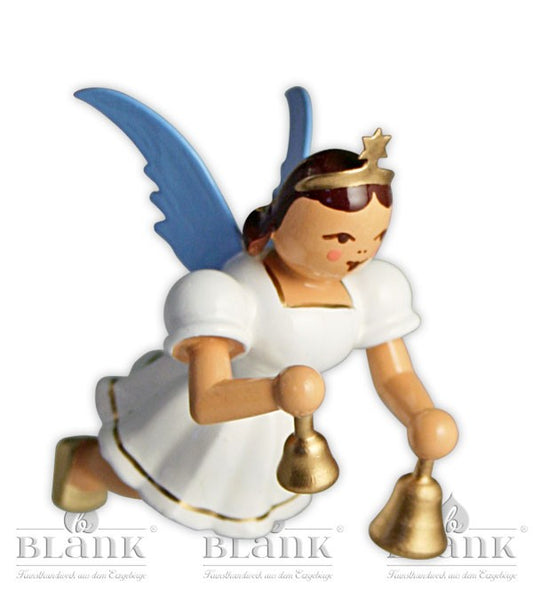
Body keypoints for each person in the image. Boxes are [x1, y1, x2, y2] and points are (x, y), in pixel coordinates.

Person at [52, 130, 458, 540]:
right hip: (223, 406)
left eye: (375, 238)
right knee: (164, 479)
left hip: (280, 418)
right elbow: (207, 401)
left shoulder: (371, 291)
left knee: (239, 494)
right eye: (341, 239)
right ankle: (83, 466)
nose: (359, 253)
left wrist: (420, 414)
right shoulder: (232, 293)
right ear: (279, 227)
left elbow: (394, 374)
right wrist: (277, 391)